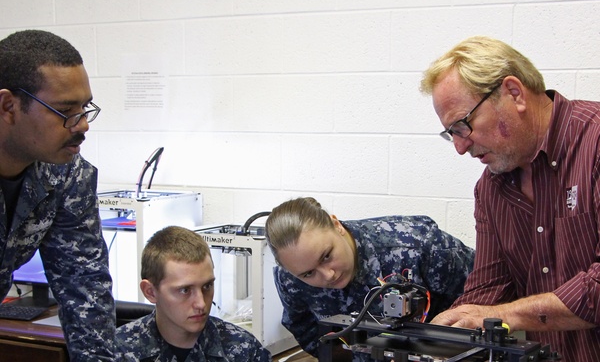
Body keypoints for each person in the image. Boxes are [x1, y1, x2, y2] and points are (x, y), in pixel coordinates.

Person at [420, 35, 600, 361]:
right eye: (452, 134)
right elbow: (488, 291)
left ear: (514, 94)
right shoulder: (491, 189)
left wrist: (510, 315)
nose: (460, 148)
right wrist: (441, 336)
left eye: (463, 125)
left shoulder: (595, 143)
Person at [0, 30, 114, 360]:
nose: (82, 125)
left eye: (85, 107)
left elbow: (85, 286)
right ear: (9, 106)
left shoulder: (65, 173)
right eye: (66, 110)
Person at [265, 197, 475, 360]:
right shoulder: (292, 278)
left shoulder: (418, 246)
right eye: (309, 273)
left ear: (336, 224)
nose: (328, 275)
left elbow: (486, 294)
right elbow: (308, 332)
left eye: (327, 256)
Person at [115, 225, 272, 362]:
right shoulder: (115, 352)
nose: (201, 303)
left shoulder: (244, 349)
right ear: (150, 292)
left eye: (207, 286)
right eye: (185, 290)